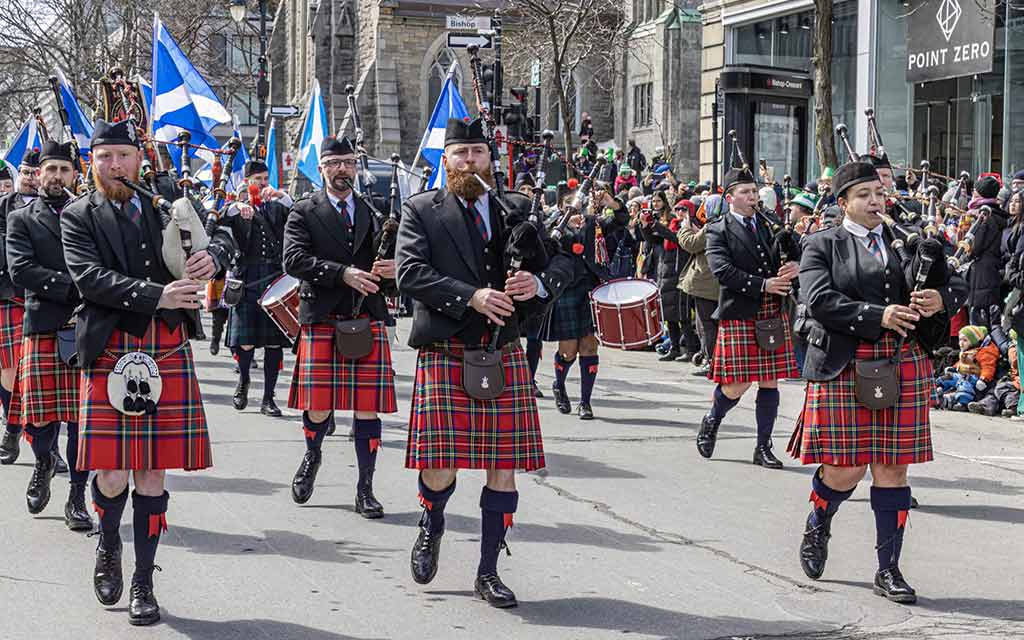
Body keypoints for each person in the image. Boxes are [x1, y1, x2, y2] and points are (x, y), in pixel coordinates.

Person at [61, 119, 231, 626]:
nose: (115, 165)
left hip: (166, 345)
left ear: (140, 158)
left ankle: (143, 580)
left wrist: (213, 257)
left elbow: (223, 232)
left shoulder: (167, 199)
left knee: (152, 472)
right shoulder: (78, 215)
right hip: (111, 344)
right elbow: (89, 278)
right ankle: (109, 544)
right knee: (112, 473)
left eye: (123, 156)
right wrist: (158, 295)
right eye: (105, 157)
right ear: (92, 163)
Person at [396, 117, 570, 608]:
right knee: (439, 465)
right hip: (446, 349)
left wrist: (538, 283)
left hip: (502, 350)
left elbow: (561, 262)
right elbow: (409, 273)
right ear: (445, 160)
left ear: (490, 158)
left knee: (504, 466)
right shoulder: (421, 210)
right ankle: (432, 521)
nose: (469, 160)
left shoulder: (516, 207)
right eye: (460, 153)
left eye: (477, 152)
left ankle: (488, 570)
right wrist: (470, 297)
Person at [790, 159, 967, 602]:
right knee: (845, 470)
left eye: (879, 193)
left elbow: (958, 282)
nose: (875, 201)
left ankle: (888, 569)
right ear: (844, 201)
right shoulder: (822, 244)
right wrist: (877, 315)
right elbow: (818, 299)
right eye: (864, 195)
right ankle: (819, 521)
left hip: (903, 360)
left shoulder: (907, 240)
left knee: (892, 467)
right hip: (846, 362)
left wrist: (939, 298)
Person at [282, 136, 398, 516]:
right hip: (323, 317)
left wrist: (393, 270)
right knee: (318, 406)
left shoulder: (373, 212)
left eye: (347, 162)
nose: (341, 169)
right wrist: (342, 273)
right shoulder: (304, 211)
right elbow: (293, 260)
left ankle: (365, 488)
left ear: (355, 167)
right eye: (333, 163)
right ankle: (312, 454)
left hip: (366, 317)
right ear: (322, 169)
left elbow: (398, 266)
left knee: (368, 408)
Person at [5, 141, 90, 530]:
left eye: (64, 169)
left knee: (82, 420)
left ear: (74, 174)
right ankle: (43, 462)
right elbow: (21, 270)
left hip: (86, 326)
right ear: (39, 174)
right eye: (50, 169)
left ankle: (77, 496)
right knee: (40, 419)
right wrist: (77, 287)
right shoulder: (21, 218)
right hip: (43, 323)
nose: (57, 176)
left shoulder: (89, 213)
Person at [698, 167, 800, 468]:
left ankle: (763, 447)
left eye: (754, 191)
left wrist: (795, 263)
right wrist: (764, 284)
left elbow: (797, 252)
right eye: (745, 192)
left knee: (770, 381)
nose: (753, 196)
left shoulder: (770, 223)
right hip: (741, 312)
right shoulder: (718, 229)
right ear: (730, 197)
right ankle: (712, 418)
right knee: (737, 384)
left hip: (772, 310)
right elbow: (722, 271)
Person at [543, 180, 627, 420]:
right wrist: (566, 221)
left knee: (589, 346)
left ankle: (585, 402)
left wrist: (612, 203)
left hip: (591, 290)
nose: (578, 214)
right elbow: (550, 241)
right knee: (568, 351)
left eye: (580, 209)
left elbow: (621, 220)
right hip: (567, 291)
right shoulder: (555, 231)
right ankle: (559, 384)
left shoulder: (594, 225)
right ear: (562, 209)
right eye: (572, 209)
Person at [220, 159, 293, 416]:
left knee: (273, 345)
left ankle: (268, 398)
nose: (262, 184)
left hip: (274, 280)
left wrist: (283, 197)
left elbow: (299, 214)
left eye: (265, 179)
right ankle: (243, 381)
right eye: (257, 180)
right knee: (246, 342)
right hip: (248, 279)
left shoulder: (277, 207)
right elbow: (218, 216)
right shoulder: (237, 208)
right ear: (247, 181)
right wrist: (238, 205)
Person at [0, 150, 41, 465]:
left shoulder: (64, 207)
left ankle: (46, 450)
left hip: (48, 299)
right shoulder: (4, 206)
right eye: (25, 172)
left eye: (35, 172)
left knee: (41, 377)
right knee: (11, 371)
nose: (30, 178)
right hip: (11, 295)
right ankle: (12, 429)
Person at [678, 196, 721, 377]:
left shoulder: (713, 224)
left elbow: (692, 244)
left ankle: (711, 361)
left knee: (707, 325)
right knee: (710, 324)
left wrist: (685, 229)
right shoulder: (725, 223)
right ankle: (709, 357)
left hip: (706, 283)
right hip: (716, 283)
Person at [963, 175, 1009, 327]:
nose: (972, 193)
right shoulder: (1001, 215)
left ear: (980, 193)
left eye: (975, 191)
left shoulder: (984, 217)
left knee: (979, 324)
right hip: (993, 272)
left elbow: (973, 248)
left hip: (982, 276)